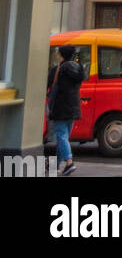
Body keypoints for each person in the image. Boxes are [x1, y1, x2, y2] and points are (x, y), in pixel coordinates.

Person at [47, 45, 85, 176]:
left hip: (60, 107)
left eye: (58, 54)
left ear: (61, 55)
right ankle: (55, 165)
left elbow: (49, 85)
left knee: (61, 136)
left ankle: (69, 163)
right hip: (73, 107)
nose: (57, 56)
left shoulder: (58, 69)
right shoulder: (78, 68)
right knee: (63, 137)